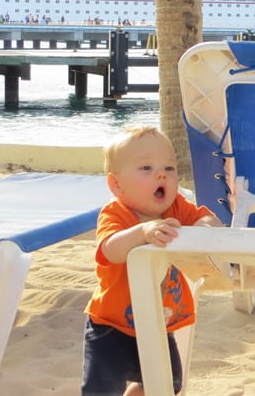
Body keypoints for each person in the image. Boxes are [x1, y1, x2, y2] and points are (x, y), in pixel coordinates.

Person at [82, 126, 222, 396]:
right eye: (146, 168)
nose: (161, 174)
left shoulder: (176, 207)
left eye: (169, 168)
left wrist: (203, 227)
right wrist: (142, 232)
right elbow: (109, 250)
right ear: (116, 184)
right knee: (101, 390)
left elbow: (210, 219)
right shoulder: (116, 214)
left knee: (169, 384)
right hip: (110, 327)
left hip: (157, 322)